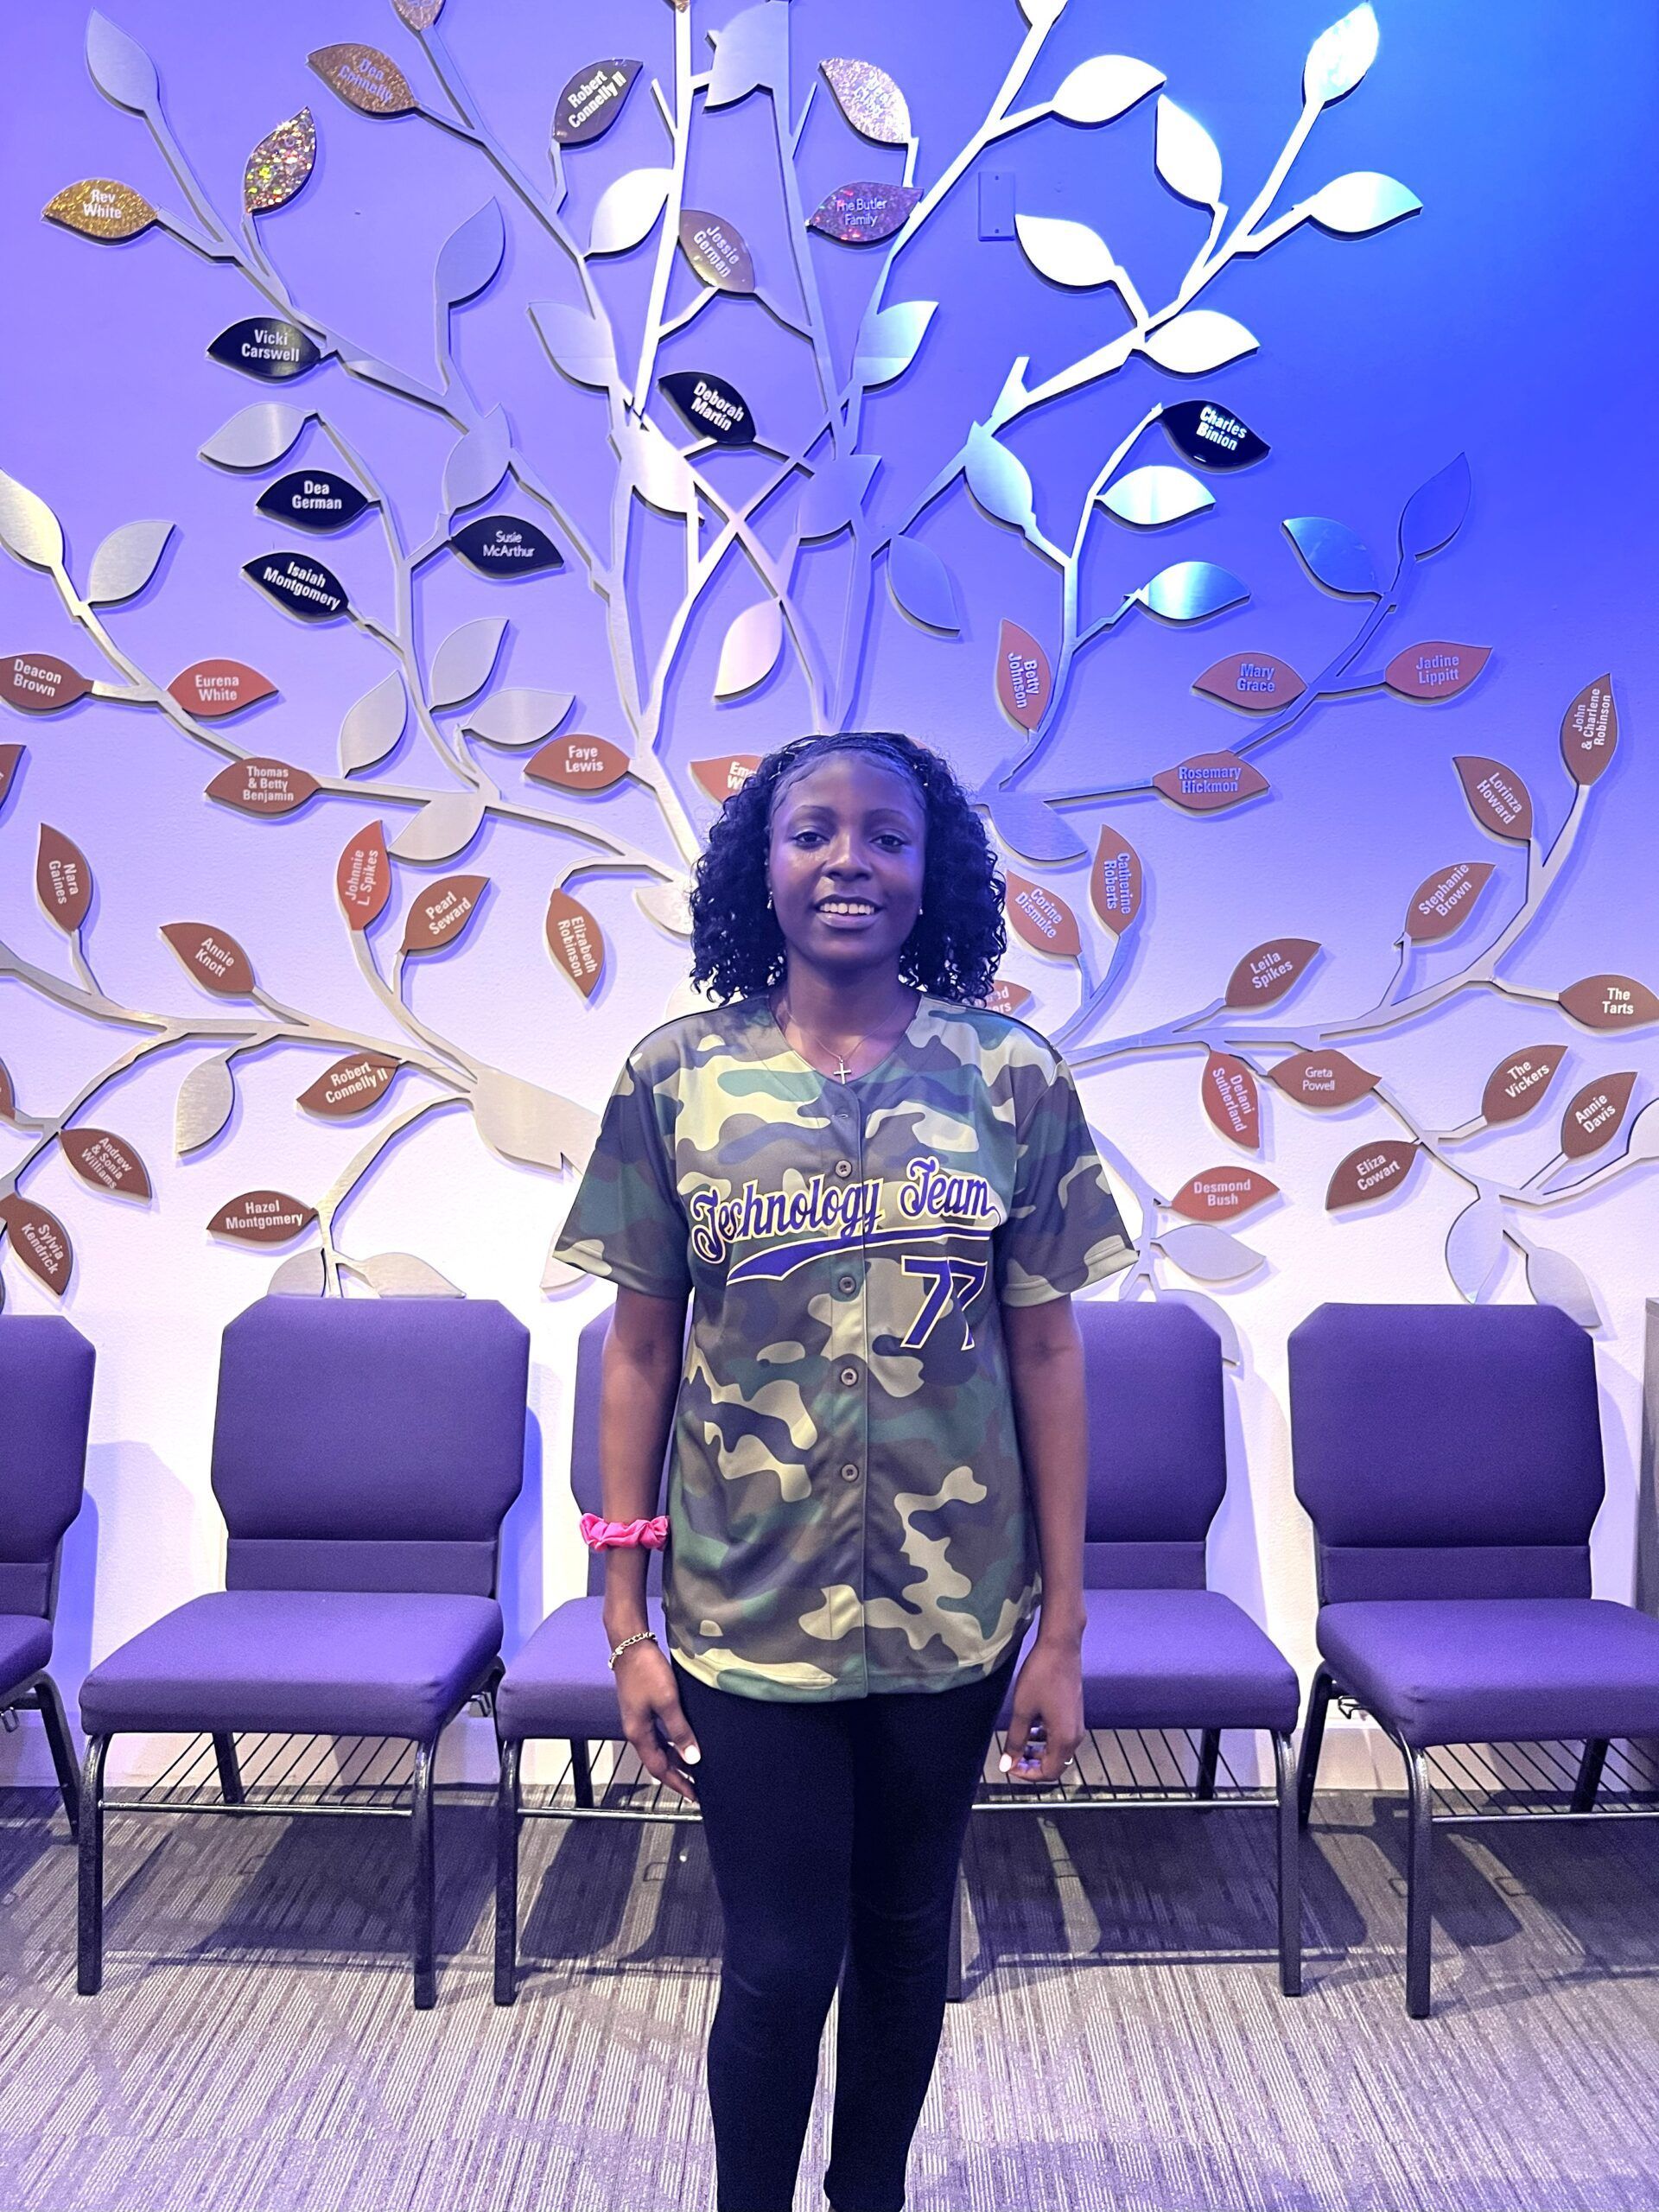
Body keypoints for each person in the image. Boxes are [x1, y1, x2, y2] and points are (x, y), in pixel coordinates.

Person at [549, 731, 1135, 2212]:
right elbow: (638, 1355)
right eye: (813, 832)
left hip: (955, 1616)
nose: (848, 862)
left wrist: (1063, 1630)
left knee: (906, 1940)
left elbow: (1049, 1355)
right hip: (746, 1612)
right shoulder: (676, 1079)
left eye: (886, 835)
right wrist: (623, 1619)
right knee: (778, 1959)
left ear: (934, 871)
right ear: (763, 866)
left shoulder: (1011, 1077)